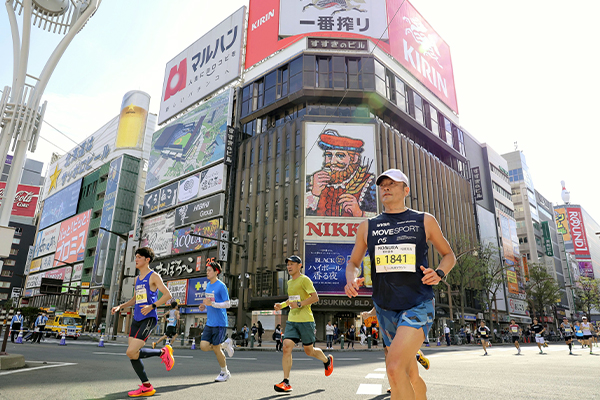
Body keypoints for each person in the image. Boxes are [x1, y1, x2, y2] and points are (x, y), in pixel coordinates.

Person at [345, 169, 455, 400]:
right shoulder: (368, 226)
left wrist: (439, 273)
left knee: (393, 367)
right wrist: (351, 279)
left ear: (406, 190)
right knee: (409, 373)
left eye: (392, 184)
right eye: (382, 184)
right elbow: (354, 262)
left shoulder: (424, 220)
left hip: (417, 303)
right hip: (385, 308)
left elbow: (448, 255)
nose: (385, 187)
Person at [110, 247, 176, 397]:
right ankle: (146, 386)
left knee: (130, 351)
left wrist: (153, 305)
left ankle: (163, 352)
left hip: (148, 318)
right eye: (136, 257)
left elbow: (167, 295)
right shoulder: (137, 279)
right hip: (137, 318)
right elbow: (135, 299)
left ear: (147, 260)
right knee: (133, 354)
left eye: (139, 257)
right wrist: (121, 306)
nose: (136, 259)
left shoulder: (154, 276)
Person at [273, 255, 333, 393]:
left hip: (306, 321)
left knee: (309, 351)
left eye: (292, 264)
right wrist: (281, 306)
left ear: (299, 265)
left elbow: (315, 297)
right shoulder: (289, 283)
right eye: (288, 264)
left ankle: (327, 360)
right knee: (286, 347)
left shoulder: (305, 280)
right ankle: (286, 381)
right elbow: (291, 300)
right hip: (292, 321)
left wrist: (299, 304)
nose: (289, 266)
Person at [199, 261, 235, 382]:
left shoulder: (221, 286)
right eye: (207, 270)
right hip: (210, 322)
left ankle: (224, 372)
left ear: (216, 272)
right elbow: (209, 302)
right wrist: (204, 306)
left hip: (220, 322)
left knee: (216, 348)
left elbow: (228, 304)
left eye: (209, 270)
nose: (207, 272)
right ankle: (225, 344)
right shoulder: (208, 285)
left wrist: (212, 304)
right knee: (203, 346)